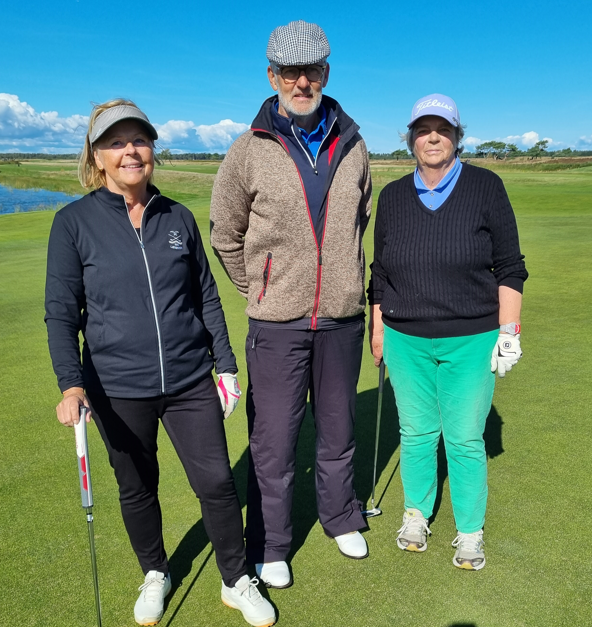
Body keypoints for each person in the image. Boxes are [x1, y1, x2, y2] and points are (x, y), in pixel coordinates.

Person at [45, 99, 276, 627]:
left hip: (190, 377)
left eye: (139, 139)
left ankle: (237, 579)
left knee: (217, 482)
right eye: (115, 142)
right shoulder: (73, 223)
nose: (130, 150)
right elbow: (61, 313)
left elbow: (206, 296)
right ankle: (155, 571)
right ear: (97, 156)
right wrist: (70, 385)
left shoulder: (177, 217)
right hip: (116, 385)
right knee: (136, 486)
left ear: (152, 149)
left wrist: (225, 363)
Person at [210, 20, 372, 588]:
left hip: (341, 320)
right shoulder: (247, 149)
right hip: (276, 324)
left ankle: (340, 517)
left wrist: (345, 284)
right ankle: (272, 543)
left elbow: (357, 224)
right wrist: (260, 286)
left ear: (326, 73)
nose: (302, 81)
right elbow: (225, 234)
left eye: (313, 71)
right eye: (290, 72)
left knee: (337, 429)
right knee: (273, 440)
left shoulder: (354, 144)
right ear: (272, 75)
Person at [369, 94, 528, 571]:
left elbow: (510, 267)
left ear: (457, 135)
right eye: (423, 129)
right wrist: (378, 330)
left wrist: (509, 331)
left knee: (462, 438)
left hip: (471, 337)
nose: (432, 137)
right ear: (410, 138)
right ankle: (416, 514)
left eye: (442, 128)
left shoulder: (485, 187)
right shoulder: (393, 195)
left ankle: (469, 531)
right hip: (405, 337)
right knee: (416, 433)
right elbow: (379, 274)